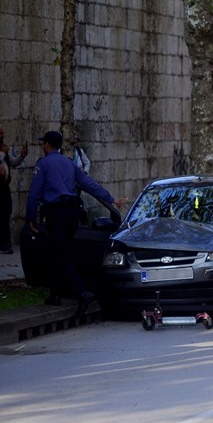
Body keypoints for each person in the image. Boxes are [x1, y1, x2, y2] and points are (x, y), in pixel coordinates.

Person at [26, 131, 126, 316]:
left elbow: (34, 193)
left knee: (57, 255)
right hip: (72, 214)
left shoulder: (44, 164)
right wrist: (111, 199)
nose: (43, 146)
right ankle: (54, 295)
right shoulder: (69, 164)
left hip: (57, 214)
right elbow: (89, 184)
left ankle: (82, 293)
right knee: (57, 252)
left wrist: (30, 219)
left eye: (43, 144)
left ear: (47, 145)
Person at [0, 124, 29, 254]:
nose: (2, 135)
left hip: (4, 188)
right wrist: (2, 153)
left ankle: (5, 244)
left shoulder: (4, 148)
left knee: (6, 214)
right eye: (0, 133)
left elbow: (12, 162)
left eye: (2, 133)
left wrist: (22, 156)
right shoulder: (3, 150)